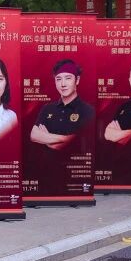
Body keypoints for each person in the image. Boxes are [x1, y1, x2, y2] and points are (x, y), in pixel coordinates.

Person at [27, 58, 94, 192]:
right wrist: (64, 138)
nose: (63, 84)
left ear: (77, 80)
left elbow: (71, 143)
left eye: (68, 78)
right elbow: (33, 135)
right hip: (45, 174)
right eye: (58, 79)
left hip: (74, 175)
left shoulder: (88, 110)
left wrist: (46, 138)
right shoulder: (47, 108)